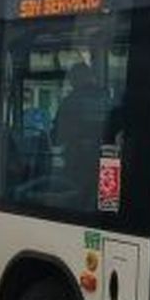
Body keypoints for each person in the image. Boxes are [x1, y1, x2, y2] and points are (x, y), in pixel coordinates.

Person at [52, 62, 112, 202]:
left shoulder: (70, 102)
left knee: (75, 203)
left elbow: (57, 136)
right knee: (105, 202)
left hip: (77, 163)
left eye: (72, 79)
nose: (71, 82)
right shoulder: (108, 99)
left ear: (75, 79)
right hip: (107, 162)